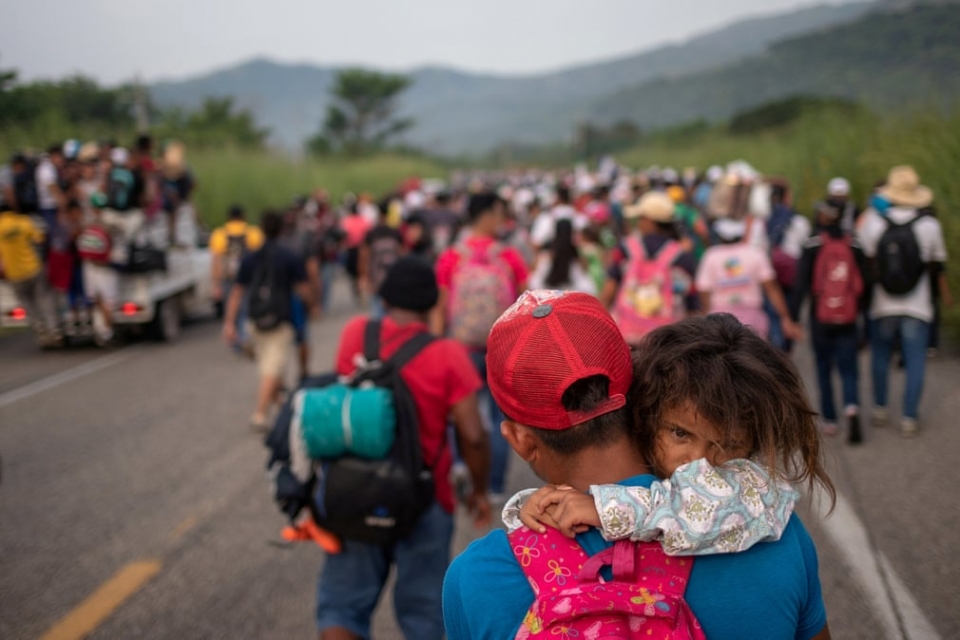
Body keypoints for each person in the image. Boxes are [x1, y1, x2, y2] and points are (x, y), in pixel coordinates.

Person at [443, 297, 832, 640]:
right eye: (681, 434)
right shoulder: (771, 529)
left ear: (520, 439)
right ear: (639, 392)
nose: (699, 463)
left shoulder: (476, 577)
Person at [318, 256, 491, 640]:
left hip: (354, 488)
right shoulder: (447, 354)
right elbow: (474, 435)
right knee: (424, 613)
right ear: (432, 303)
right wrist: (478, 490)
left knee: (342, 607)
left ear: (385, 297)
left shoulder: (356, 333)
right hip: (424, 497)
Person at [433, 192, 528, 503]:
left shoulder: (452, 256)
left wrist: (438, 343)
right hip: (500, 348)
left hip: (461, 347)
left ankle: (463, 469)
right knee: (502, 417)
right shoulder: (509, 255)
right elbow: (525, 301)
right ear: (486, 215)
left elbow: (441, 305)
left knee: (459, 412)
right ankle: (495, 486)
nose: (501, 220)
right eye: (498, 214)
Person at [857, 166, 948, 437]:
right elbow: (936, 264)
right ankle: (909, 417)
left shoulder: (874, 222)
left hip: (882, 304)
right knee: (915, 359)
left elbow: (866, 260)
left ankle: (880, 408)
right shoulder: (929, 225)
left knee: (880, 356)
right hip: (917, 305)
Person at [223, 211, 312, 430]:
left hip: (255, 320)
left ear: (261, 229)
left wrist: (230, 323)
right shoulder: (289, 257)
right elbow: (303, 289)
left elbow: (236, 292)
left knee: (269, 364)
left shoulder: (250, 258)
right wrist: (310, 306)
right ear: (281, 229)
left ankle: (281, 403)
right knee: (272, 368)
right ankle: (260, 414)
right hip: (281, 320)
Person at [791, 202, 870, 443]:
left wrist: (794, 317)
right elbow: (865, 283)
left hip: (820, 317)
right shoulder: (854, 244)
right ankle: (851, 408)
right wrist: (863, 315)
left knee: (823, 366)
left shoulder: (812, 244)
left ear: (824, 216)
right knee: (849, 368)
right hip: (848, 316)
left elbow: (801, 283)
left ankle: (830, 419)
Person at [602, 191, 697, 345]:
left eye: (640, 218)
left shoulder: (627, 248)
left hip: (626, 337)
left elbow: (610, 289)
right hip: (664, 342)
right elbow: (691, 302)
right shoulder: (682, 255)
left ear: (649, 221)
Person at [696, 218, 802, 342]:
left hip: (718, 319)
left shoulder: (711, 255)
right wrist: (785, 318)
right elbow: (772, 289)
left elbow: (704, 291)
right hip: (752, 318)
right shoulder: (755, 253)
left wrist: (706, 315)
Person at [0, 180, 60, 346]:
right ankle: (54, 330)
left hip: (14, 274)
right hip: (33, 267)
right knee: (45, 298)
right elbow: (40, 239)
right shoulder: (23, 221)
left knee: (27, 304)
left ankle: (40, 330)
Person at [210, 205, 265, 352]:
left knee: (231, 309)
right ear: (243, 216)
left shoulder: (220, 234)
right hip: (249, 278)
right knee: (246, 307)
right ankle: (245, 337)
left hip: (228, 279)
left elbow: (216, 261)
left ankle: (235, 342)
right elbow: (260, 257)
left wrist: (216, 284)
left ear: (228, 217)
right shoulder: (253, 232)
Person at [528, 218, 597, 295]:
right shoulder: (576, 256)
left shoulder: (547, 254)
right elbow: (586, 285)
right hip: (571, 296)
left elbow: (534, 282)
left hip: (546, 296)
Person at [358, 207, 405, 319]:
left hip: (377, 279)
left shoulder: (371, 234)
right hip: (394, 280)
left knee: (377, 313)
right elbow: (403, 254)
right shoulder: (395, 233)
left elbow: (364, 257)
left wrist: (363, 276)